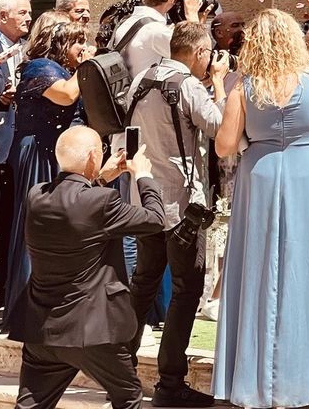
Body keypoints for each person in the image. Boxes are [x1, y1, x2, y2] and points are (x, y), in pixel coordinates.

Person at [212, 9, 309, 408]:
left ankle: (253, 381)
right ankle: (306, 381)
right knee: (307, 271)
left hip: (263, 177)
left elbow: (224, 146)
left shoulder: (244, 87)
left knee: (257, 270)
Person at [6, 125, 164, 409]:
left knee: (30, 405)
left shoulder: (36, 196)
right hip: (92, 331)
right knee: (128, 398)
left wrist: (100, 178)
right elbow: (155, 219)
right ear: (93, 156)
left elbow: (78, 206)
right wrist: (143, 175)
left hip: (43, 330)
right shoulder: (102, 201)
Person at [127, 21, 228, 408]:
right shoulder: (187, 85)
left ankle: (122, 374)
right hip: (182, 206)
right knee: (186, 290)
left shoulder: (141, 80)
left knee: (144, 283)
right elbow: (220, 128)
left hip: (144, 199)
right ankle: (170, 385)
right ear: (200, 53)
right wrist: (219, 84)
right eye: (209, 54)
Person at [2, 19, 88, 331]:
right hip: (38, 152)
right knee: (38, 226)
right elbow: (65, 95)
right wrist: (86, 67)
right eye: (78, 42)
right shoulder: (39, 66)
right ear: (63, 44)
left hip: (55, 153)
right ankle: (29, 312)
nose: (83, 48)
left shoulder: (64, 70)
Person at [0, 0, 32, 308]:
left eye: (29, 12)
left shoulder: (29, 49)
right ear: (3, 16)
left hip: (22, 145)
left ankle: (4, 283)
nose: (29, 17)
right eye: (23, 13)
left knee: (11, 218)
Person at [112, 0, 205, 79]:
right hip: (144, 91)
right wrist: (192, 15)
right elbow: (199, 62)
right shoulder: (156, 31)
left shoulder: (129, 21)